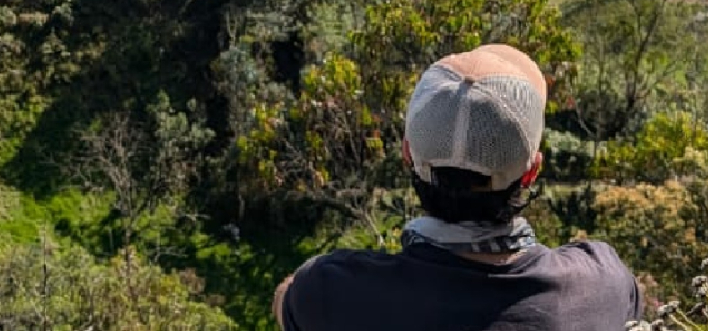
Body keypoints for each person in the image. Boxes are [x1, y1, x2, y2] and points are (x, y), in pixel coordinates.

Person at [272, 44, 643, 331]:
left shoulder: (332, 292)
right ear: (531, 172)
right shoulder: (602, 284)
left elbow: (287, 300)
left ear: (407, 154)